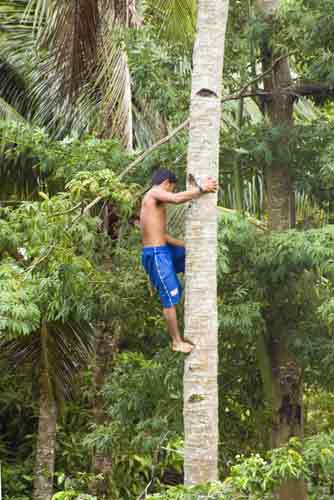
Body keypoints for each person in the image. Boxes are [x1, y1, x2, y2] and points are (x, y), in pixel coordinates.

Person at [140, 168, 218, 353]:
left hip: (164, 251)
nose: (171, 192)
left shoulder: (154, 203)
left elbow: (163, 236)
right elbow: (176, 199)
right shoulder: (154, 193)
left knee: (193, 257)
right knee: (169, 298)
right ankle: (176, 341)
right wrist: (201, 188)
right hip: (156, 255)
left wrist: (185, 245)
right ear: (166, 182)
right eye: (172, 188)